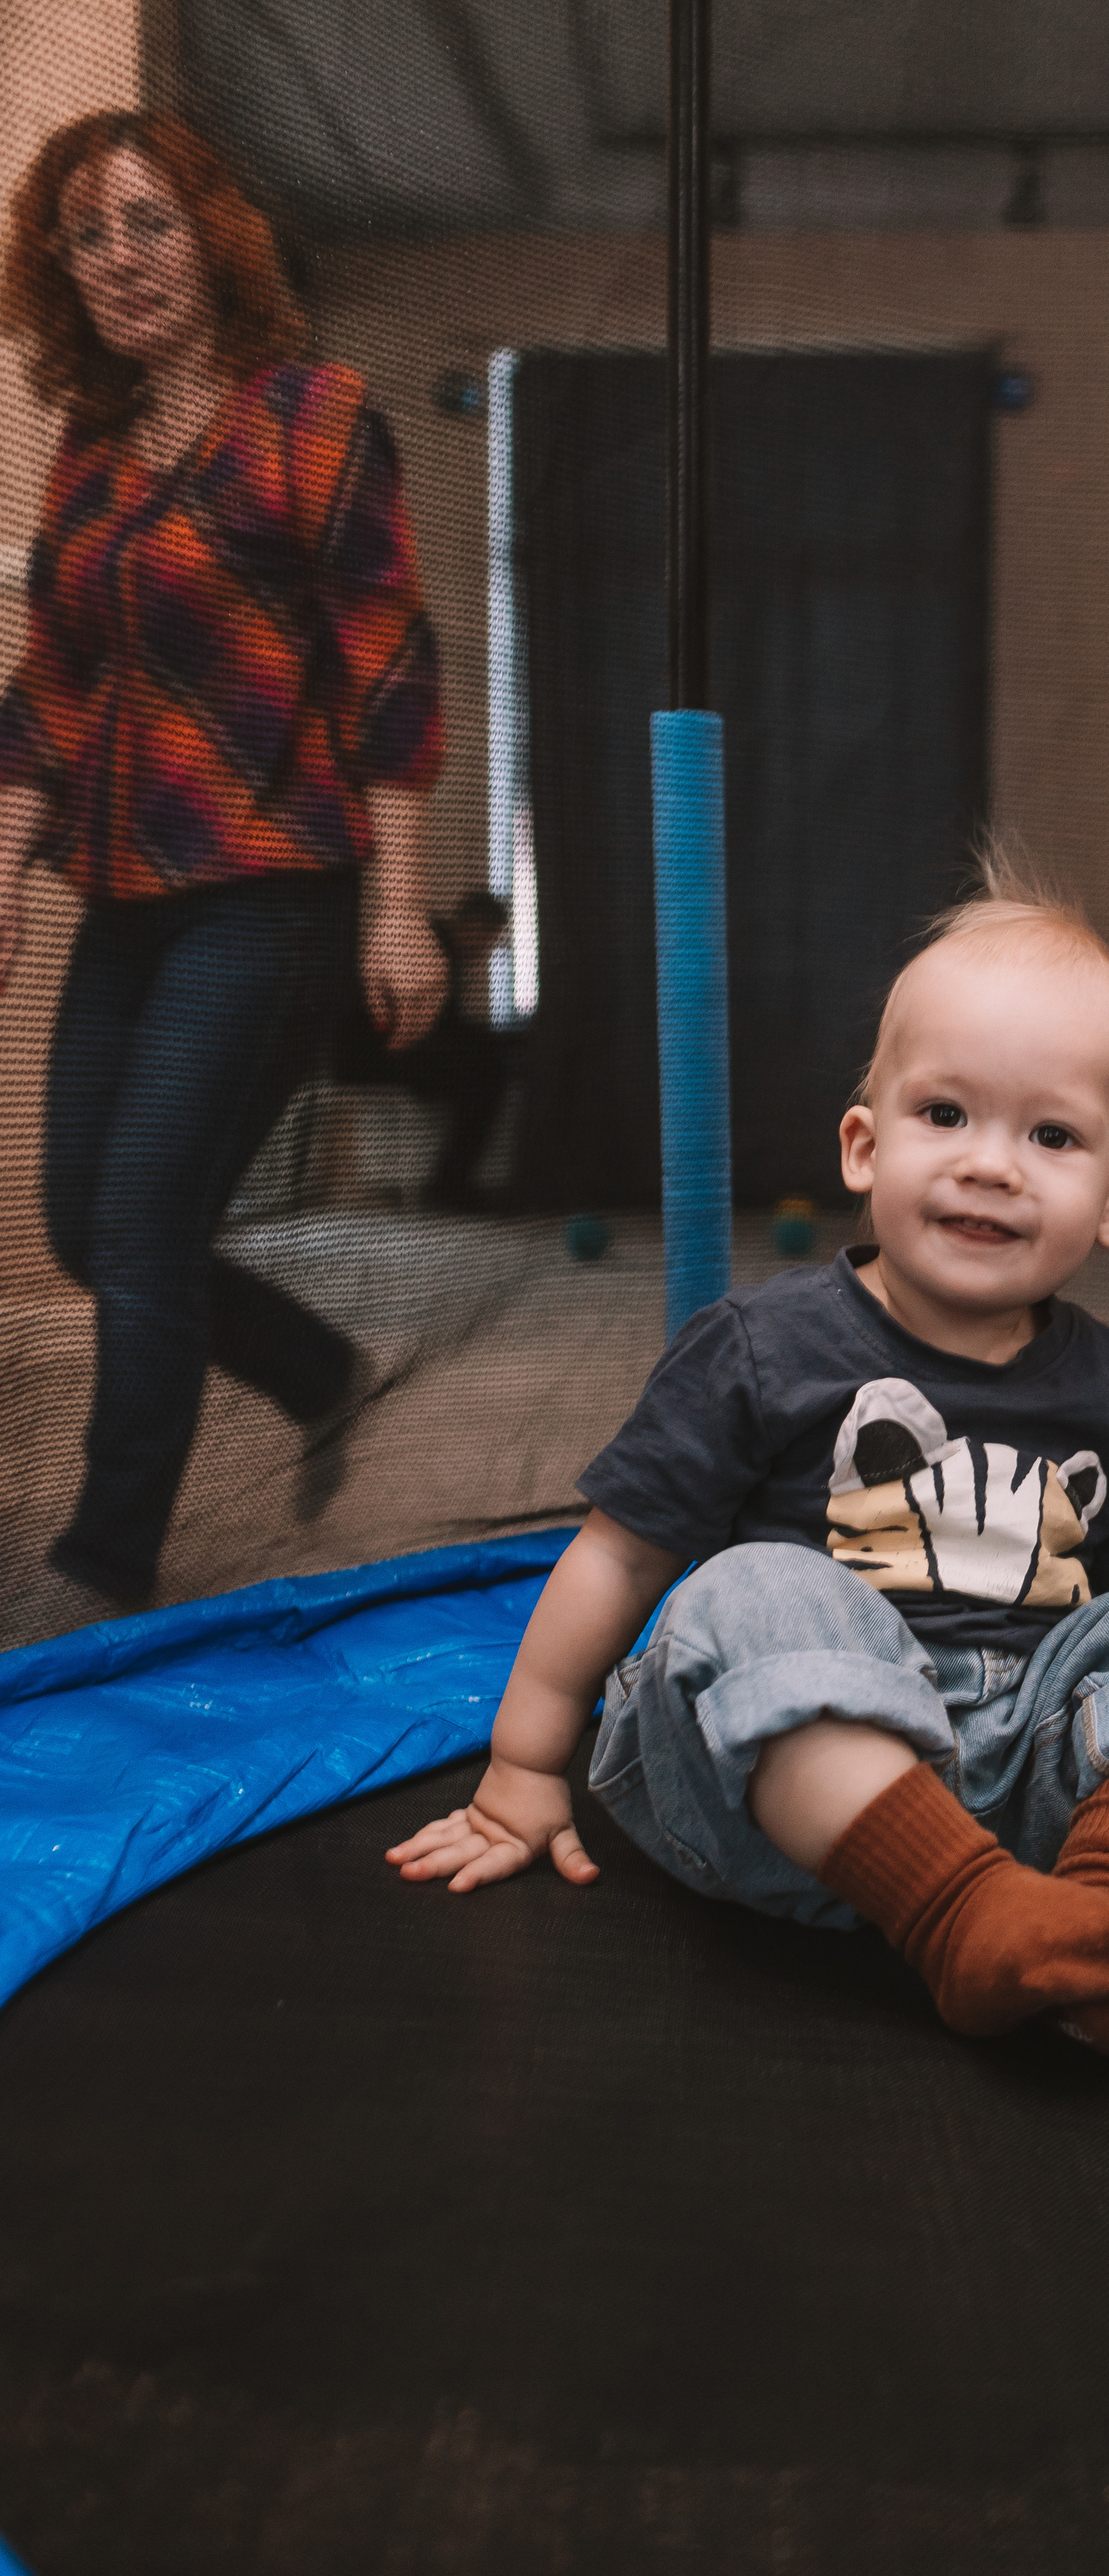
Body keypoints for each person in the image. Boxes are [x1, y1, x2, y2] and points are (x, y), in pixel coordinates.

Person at [388, 849, 1109, 2072]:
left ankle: (1105, 1913)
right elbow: (615, 1563)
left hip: (1022, 1786)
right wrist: (520, 1767)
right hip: (786, 1793)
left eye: (1051, 1135)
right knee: (751, 1591)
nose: (990, 1162)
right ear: (864, 1148)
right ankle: (958, 1914)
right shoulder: (761, 1352)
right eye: (947, 1116)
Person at [0, 110, 446, 1619]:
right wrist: (2, 868)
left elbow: (386, 663)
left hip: (276, 888)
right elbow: (53, 679)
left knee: (137, 1226)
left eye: (148, 221)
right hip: (126, 893)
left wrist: (399, 909)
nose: (119, 258)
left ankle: (100, 1566)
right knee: (84, 1221)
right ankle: (323, 1370)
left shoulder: (313, 415)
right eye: (86, 234)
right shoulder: (91, 446)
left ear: (213, 236)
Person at [333, 885, 521, 1210]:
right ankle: (449, 1185)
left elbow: (443, 1024)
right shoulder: (433, 950)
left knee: (485, 1064)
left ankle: (450, 1183)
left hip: (384, 1050)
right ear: (475, 926)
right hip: (376, 1053)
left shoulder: (440, 949)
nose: (489, 952)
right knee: (486, 1079)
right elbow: (427, 1027)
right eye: (490, 941)